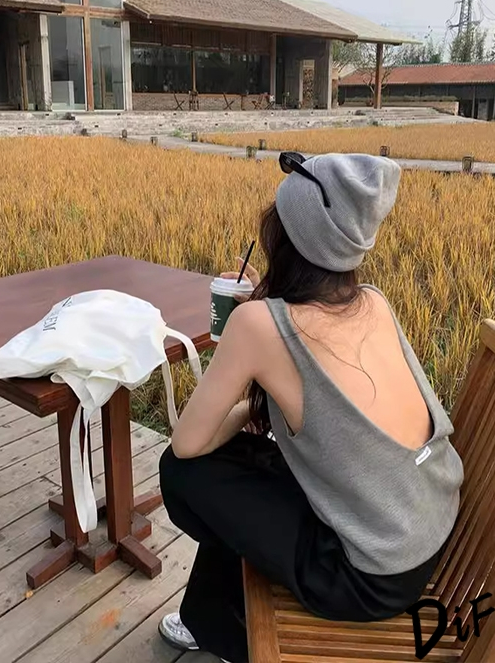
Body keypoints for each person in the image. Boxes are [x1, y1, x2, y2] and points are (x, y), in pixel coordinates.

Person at [158, 152, 464, 663]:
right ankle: (207, 617)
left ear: (287, 237)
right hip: (423, 526)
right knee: (248, 466)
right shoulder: (374, 301)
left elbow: (187, 445)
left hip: (365, 577)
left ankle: (231, 634)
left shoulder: (258, 325)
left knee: (185, 472)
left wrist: (248, 366)